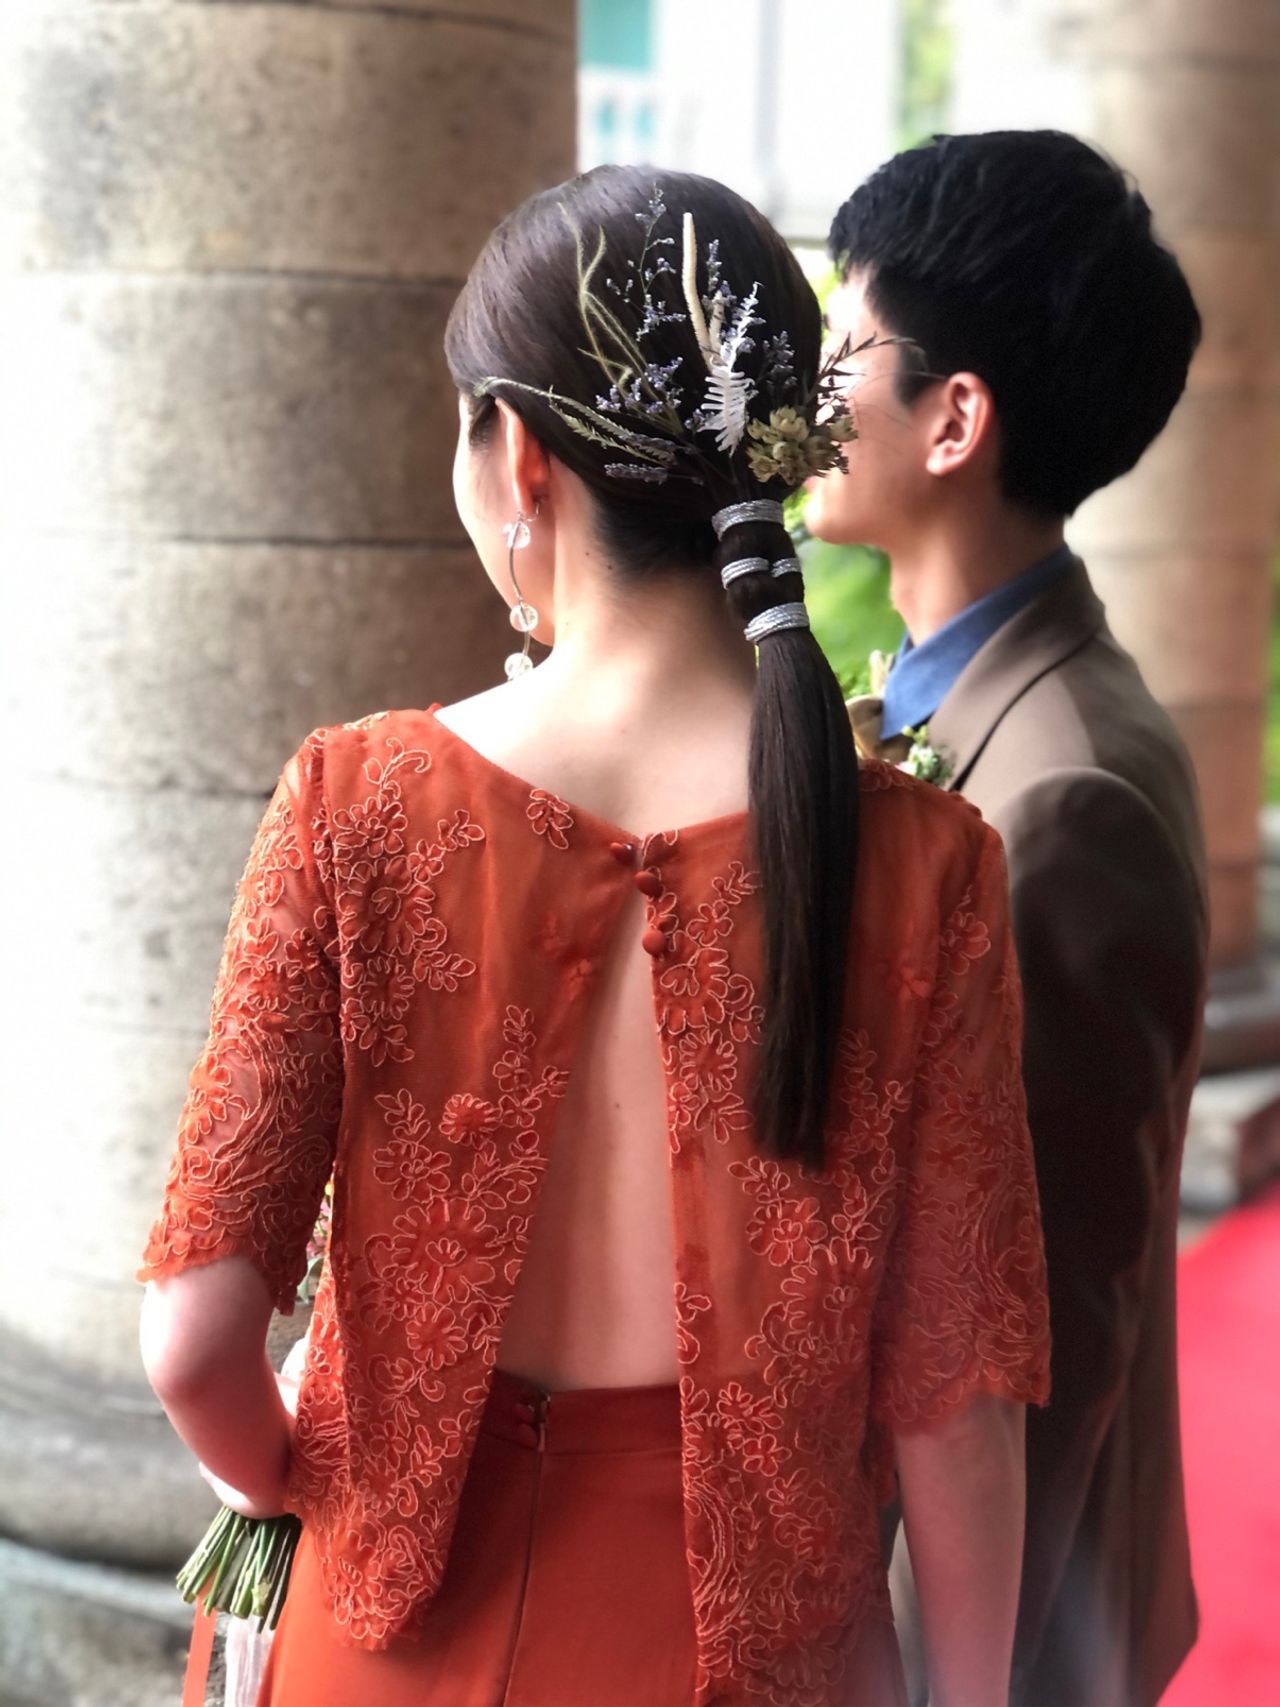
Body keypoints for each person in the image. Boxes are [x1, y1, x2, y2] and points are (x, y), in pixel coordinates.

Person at [136, 164, 1049, 1707]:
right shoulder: (926, 863)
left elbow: (192, 1343)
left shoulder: (356, 801)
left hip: (387, 1635)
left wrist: (287, 1477)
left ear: (520, 455)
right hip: (750, 1661)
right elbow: (957, 1408)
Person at [809, 131, 1207, 1707]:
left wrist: (922, 1673)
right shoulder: (961, 704)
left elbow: (1040, 1336)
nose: (806, 393)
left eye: (843, 348)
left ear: (955, 417)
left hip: (995, 1629)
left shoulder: (1063, 800)